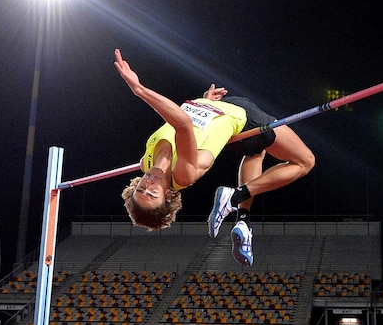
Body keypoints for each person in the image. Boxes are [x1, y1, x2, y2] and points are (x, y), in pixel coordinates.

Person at [113, 49, 315, 267]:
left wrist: (205, 102)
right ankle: (236, 196)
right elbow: (182, 123)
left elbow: (191, 123)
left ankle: (243, 221)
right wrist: (139, 89)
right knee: (305, 162)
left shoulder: (147, 162)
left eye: (140, 189)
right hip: (244, 119)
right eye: (153, 192)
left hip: (222, 115)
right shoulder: (183, 174)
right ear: (169, 194)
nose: (147, 183)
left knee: (256, 152)